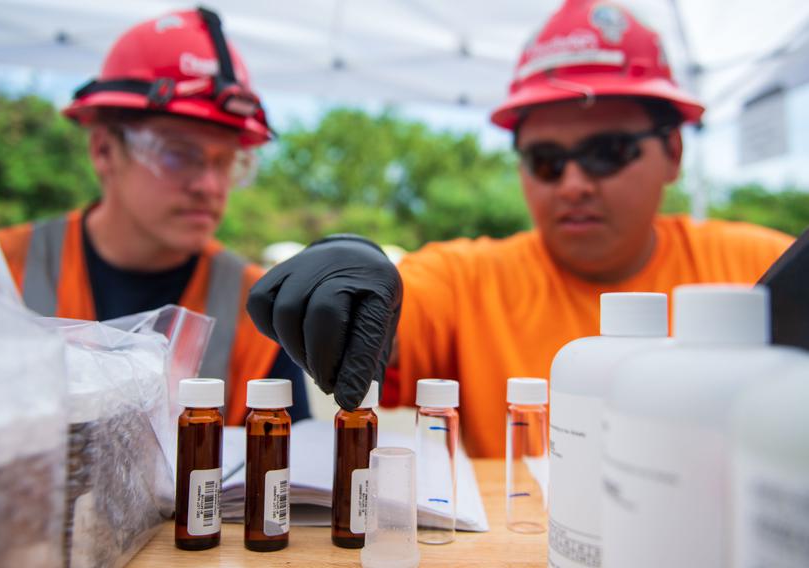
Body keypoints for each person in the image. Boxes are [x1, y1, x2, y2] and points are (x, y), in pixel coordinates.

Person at [245, 0, 793, 456]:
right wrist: (347, 264)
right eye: (547, 160)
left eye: (608, 152)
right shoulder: (469, 280)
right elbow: (394, 316)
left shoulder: (760, 271)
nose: (573, 183)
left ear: (673, 152)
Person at [0, 8, 309, 423]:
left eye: (228, 162)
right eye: (179, 154)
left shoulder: (259, 308)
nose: (211, 186)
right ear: (104, 150)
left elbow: (288, 476)